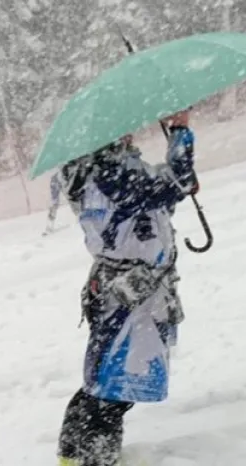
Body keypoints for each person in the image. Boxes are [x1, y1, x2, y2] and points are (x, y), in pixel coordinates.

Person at [56, 112, 197, 466]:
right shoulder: (111, 173)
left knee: (102, 381)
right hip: (131, 297)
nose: (131, 133)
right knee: (112, 391)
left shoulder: (91, 171)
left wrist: (177, 183)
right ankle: (97, 460)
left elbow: (154, 205)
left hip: (118, 290)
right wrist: (180, 131)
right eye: (123, 129)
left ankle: (72, 457)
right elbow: (170, 184)